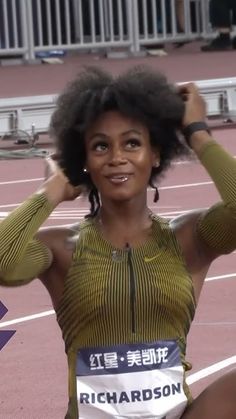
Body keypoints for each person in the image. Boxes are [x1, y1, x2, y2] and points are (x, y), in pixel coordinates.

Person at [0, 65, 236, 419]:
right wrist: (51, 190)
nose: (116, 158)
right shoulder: (63, 249)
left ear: (155, 154)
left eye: (132, 143)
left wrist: (199, 134)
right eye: (100, 146)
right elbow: (4, 262)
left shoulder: (190, 239)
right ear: (84, 162)